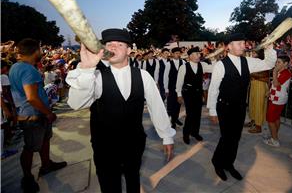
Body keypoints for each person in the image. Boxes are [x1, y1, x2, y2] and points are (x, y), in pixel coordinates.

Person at [66, 29, 175, 193]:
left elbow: (157, 106)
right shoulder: (96, 76)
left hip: (134, 142)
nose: (113, 48)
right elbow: (76, 104)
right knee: (110, 184)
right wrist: (87, 69)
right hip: (105, 146)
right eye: (109, 44)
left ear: (129, 50)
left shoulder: (143, 76)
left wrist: (166, 135)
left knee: (133, 178)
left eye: (119, 44)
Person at [207, 32, 277, 181]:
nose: (243, 45)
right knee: (226, 137)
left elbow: (269, 64)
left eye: (243, 43)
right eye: (239, 43)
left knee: (236, 137)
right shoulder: (221, 65)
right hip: (224, 107)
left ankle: (229, 164)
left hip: (239, 107)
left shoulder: (248, 61)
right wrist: (212, 110)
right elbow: (214, 89)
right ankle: (218, 163)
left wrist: (269, 48)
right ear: (229, 47)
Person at [9, 38, 67, 193]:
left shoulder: (16, 67)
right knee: (30, 147)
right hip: (34, 115)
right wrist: (48, 113)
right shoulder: (28, 70)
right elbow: (32, 97)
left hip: (30, 113)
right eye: (40, 49)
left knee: (45, 140)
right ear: (35, 51)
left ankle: (46, 165)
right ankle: (27, 178)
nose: (41, 52)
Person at [176, 47, 213, 144]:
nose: (199, 55)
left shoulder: (203, 65)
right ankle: (186, 134)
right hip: (188, 93)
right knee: (190, 114)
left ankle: (195, 132)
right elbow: (179, 82)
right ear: (190, 56)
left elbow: (214, 68)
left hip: (198, 92)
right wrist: (179, 94)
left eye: (199, 54)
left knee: (197, 114)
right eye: (196, 54)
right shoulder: (184, 67)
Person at [263, 55, 292, 147]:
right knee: (276, 118)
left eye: (279, 62)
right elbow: (275, 85)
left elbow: (276, 84)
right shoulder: (281, 71)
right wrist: (269, 91)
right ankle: (274, 135)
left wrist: (274, 72)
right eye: (276, 62)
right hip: (275, 97)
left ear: (285, 64)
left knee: (270, 119)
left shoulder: (286, 73)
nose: (276, 64)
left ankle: (275, 140)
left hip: (278, 99)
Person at [248, 49, 270, 133]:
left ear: (259, 54)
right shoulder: (254, 62)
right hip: (254, 84)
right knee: (252, 104)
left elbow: (265, 75)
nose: (252, 54)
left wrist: (252, 74)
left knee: (258, 105)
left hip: (260, 85)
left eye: (254, 53)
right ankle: (253, 121)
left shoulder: (263, 62)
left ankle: (258, 126)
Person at [164, 47, 185, 128]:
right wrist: (166, 88)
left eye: (179, 53)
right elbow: (166, 77)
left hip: (180, 87)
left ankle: (176, 118)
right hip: (172, 87)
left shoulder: (183, 62)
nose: (178, 54)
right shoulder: (169, 64)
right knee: (172, 104)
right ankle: (173, 120)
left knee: (178, 104)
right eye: (176, 53)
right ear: (172, 54)